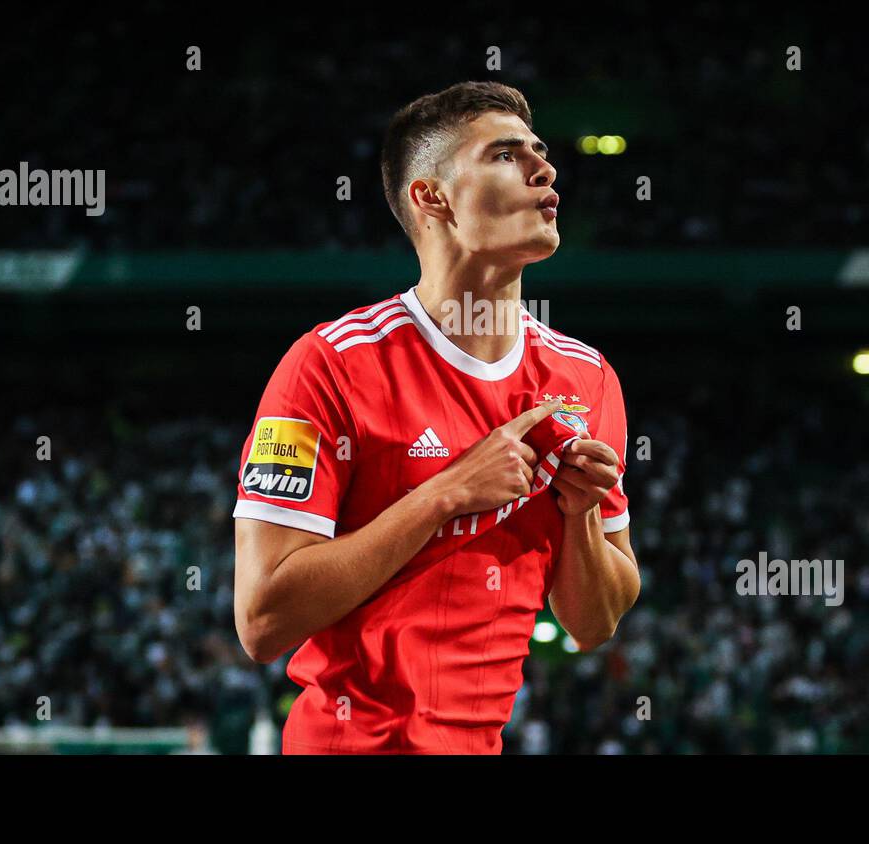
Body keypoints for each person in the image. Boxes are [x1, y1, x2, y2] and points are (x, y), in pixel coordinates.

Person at [232, 81, 640, 753]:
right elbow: (263, 618)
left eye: (541, 152)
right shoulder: (329, 365)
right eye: (507, 155)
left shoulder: (586, 379)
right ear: (432, 196)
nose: (545, 168)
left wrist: (580, 512)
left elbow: (593, 623)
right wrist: (448, 492)